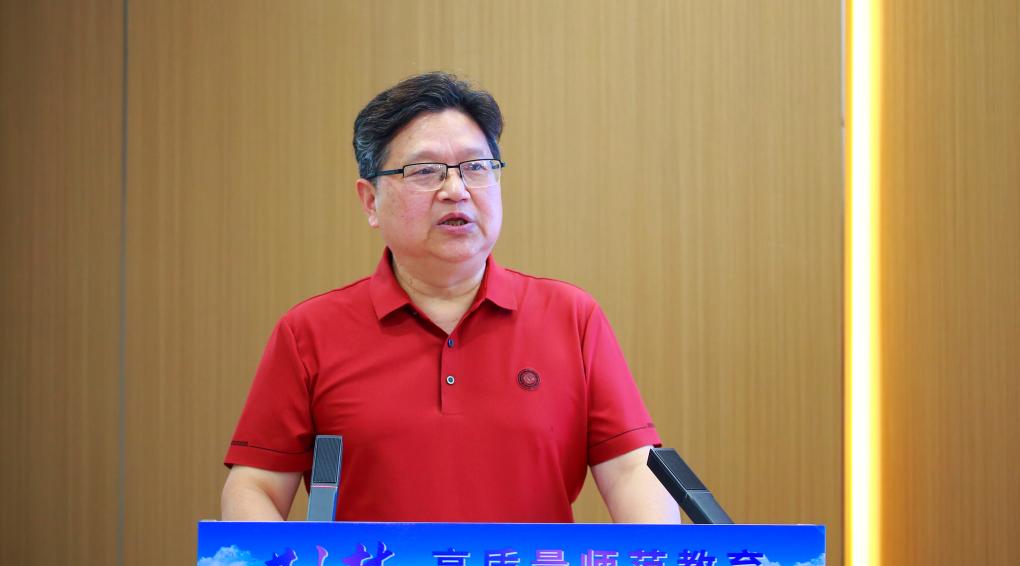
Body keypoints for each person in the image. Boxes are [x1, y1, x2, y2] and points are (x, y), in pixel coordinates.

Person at [221, 72, 679, 524]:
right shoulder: (310, 332)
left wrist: (657, 557)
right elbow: (255, 486)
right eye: (424, 171)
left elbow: (630, 470)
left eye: (476, 167)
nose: (456, 191)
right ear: (370, 201)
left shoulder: (570, 317)